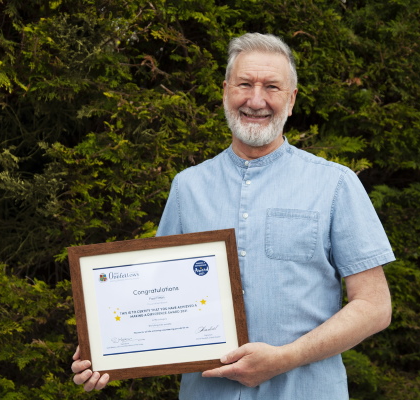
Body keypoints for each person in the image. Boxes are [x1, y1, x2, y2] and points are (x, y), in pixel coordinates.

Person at [72, 32, 394, 399]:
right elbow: (154, 297)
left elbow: (374, 306)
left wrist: (285, 358)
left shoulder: (336, 184)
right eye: (244, 84)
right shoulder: (187, 188)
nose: (256, 100)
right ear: (225, 91)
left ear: (291, 100)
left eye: (272, 87)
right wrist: (105, 348)